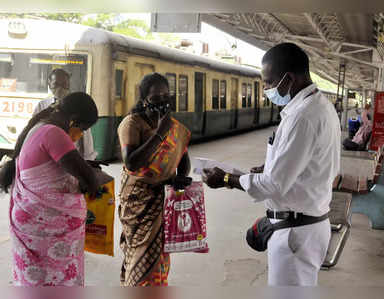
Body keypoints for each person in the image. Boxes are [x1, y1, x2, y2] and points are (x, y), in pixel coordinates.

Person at [202, 43, 341, 286]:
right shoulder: (320, 107)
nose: (265, 89)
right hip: (306, 227)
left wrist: (225, 179)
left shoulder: (302, 117)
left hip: (295, 233)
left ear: (288, 79)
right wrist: (270, 165)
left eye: (268, 82)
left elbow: (274, 185)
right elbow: (309, 165)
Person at [0, 92, 101, 286]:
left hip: (32, 224)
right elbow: (89, 180)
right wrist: (93, 176)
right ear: (74, 120)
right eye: (83, 129)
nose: (80, 135)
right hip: (45, 231)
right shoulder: (54, 133)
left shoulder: (40, 127)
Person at [117, 72, 191, 286]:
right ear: (144, 99)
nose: (162, 102)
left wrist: (180, 178)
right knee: (139, 254)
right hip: (139, 202)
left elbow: (183, 157)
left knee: (159, 255)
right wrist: (160, 133)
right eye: (156, 98)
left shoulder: (173, 125)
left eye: (166, 97)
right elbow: (131, 162)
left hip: (163, 200)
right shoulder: (132, 124)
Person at [34, 68, 97, 161]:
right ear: (49, 84)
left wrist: (89, 160)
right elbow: (34, 131)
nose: (60, 88)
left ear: (69, 85)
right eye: (56, 84)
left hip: (73, 158)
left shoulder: (78, 106)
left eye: (64, 84)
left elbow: (86, 137)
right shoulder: (42, 105)